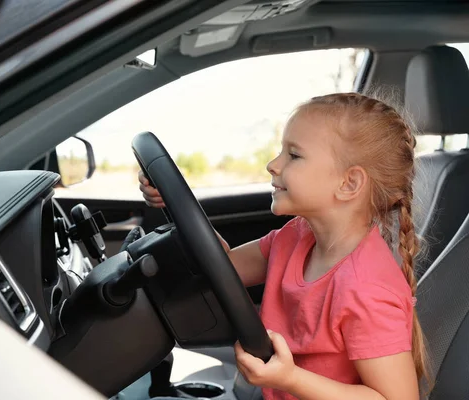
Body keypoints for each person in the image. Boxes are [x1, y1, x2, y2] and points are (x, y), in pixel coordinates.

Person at [138, 92, 428, 400]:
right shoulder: (295, 237)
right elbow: (223, 267)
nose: (272, 165)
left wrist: (291, 379)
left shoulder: (366, 287)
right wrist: (175, 206)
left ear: (349, 184)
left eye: (294, 155)